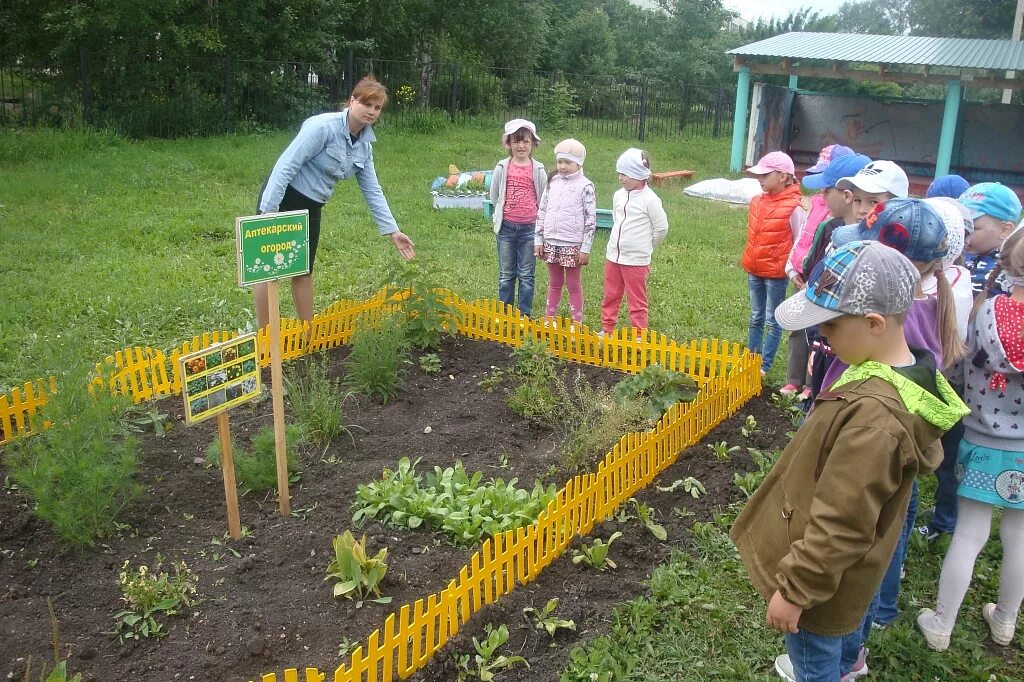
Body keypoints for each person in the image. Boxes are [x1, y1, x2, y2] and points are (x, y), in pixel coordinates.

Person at [731, 239, 968, 682]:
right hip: (853, 578)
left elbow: (842, 521)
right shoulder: (899, 371)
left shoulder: (874, 422)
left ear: (874, 323)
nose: (821, 338)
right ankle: (848, 665)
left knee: (814, 660)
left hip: (819, 593)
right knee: (847, 632)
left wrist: (796, 591)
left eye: (829, 328)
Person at [828, 199, 967, 639]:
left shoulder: (893, 321)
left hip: (877, 439)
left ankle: (863, 623)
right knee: (896, 525)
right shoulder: (934, 303)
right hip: (905, 444)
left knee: (872, 533)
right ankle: (884, 608)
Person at [916, 228, 1024, 652]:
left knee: (970, 533)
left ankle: (941, 624)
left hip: (981, 441)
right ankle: (1006, 621)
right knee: (1019, 537)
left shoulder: (987, 310)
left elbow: (960, 369)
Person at [255, 75, 415, 331]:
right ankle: (266, 337)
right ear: (352, 101)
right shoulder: (323, 127)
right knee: (267, 271)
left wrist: (393, 231)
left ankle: (308, 335)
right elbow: (286, 166)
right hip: (283, 198)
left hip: (312, 206)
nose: (372, 111)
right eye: (367, 104)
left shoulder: (364, 146)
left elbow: (373, 189)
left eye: (377, 108)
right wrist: (268, 211)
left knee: (303, 270)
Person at [780, 151, 868, 400]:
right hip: (825, 334)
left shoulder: (863, 242)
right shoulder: (829, 227)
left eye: (827, 190)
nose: (822, 196)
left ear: (847, 195)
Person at [741, 151, 805, 376]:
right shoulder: (757, 202)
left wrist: (795, 269)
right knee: (755, 316)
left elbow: (799, 242)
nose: (760, 179)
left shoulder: (794, 207)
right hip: (755, 268)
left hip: (776, 274)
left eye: (765, 175)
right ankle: (751, 360)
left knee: (772, 319)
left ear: (782, 176)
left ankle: (764, 366)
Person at [600, 148, 668, 337]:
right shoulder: (618, 195)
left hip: (637, 260)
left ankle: (639, 334)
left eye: (625, 174)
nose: (621, 178)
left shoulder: (651, 200)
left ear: (639, 175)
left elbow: (661, 228)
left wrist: (648, 246)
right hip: (613, 255)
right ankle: (607, 329)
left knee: (636, 299)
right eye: (619, 173)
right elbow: (616, 219)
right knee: (610, 295)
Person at [534, 139, 597, 325]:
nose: (563, 166)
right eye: (560, 162)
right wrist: (538, 239)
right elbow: (542, 210)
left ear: (579, 163)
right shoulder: (552, 181)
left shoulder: (586, 186)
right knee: (554, 283)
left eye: (568, 162)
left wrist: (585, 248)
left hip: (572, 244)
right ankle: (549, 319)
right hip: (551, 242)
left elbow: (591, 220)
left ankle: (576, 323)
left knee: (573, 284)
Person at [490, 119, 547, 317]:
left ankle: (524, 315)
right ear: (509, 144)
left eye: (525, 141)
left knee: (526, 274)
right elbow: (495, 195)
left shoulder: (538, 169)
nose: (521, 146)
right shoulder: (502, 167)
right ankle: (504, 314)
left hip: (529, 229)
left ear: (533, 144)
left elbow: (544, 198)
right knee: (506, 274)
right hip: (506, 228)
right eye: (516, 141)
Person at [959, 182, 1023, 296]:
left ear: (1005, 229)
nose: (963, 233)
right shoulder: (956, 255)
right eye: (960, 225)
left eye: (973, 228)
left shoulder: (1011, 274)